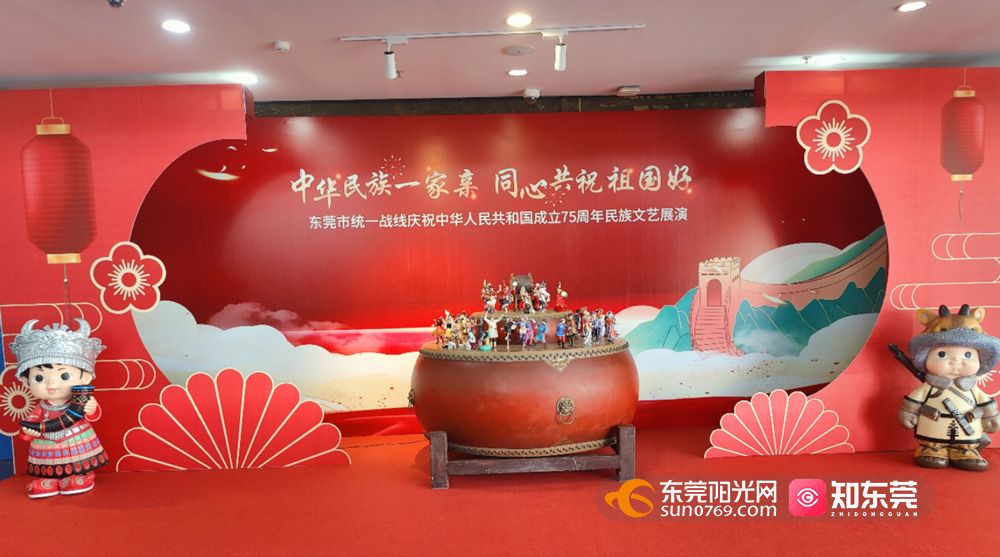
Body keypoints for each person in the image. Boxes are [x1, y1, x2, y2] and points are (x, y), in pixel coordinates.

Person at [10, 319, 108, 499]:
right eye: (39, 378)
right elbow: (30, 425)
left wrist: (91, 408)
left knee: (78, 463)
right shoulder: (40, 408)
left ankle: (81, 475)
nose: (52, 384)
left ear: (85, 378)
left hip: (76, 438)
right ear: (26, 382)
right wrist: (28, 430)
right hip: (45, 442)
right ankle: (49, 479)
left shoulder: (78, 402)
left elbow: (93, 415)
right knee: (47, 465)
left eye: (64, 376)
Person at [897, 305, 1000, 470]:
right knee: (932, 442)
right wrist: (909, 412)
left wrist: (991, 417)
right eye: (942, 354)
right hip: (933, 426)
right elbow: (914, 401)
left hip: (967, 429)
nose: (956, 361)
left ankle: (965, 452)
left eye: (967, 355)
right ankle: (931, 449)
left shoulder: (972, 389)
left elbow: (985, 403)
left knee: (966, 444)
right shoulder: (929, 387)